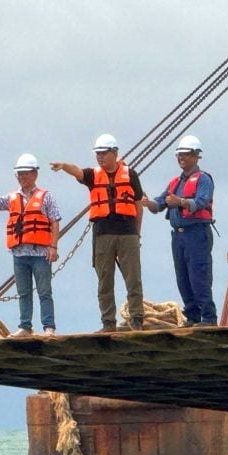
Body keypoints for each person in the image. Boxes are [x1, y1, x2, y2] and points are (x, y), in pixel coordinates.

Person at [50, 134, 145, 332]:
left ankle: (136, 318)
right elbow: (78, 171)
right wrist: (63, 165)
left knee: (133, 277)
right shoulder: (94, 175)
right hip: (103, 233)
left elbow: (137, 204)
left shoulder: (131, 175)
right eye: (98, 154)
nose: (100, 157)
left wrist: (137, 233)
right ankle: (108, 322)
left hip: (127, 232)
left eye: (103, 153)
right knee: (104, 278)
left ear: (114, 153)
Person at [0, 153, 60, 337]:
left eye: (25, 173)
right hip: (20, 254)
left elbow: (54, 221)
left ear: (34, 174)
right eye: (19, 174)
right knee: (24, 292)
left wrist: (53, 247)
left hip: (41, 253)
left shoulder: (46, 197)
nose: (22, 177)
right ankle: (25, 326)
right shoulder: (12, 198)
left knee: (44, 291)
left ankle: (49, 327)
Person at [141, 135, 217, 326]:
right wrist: (147, 203)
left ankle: (208, 317)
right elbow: (159, 204)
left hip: (197, 233)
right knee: (183, 277)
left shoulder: (203, 179)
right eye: (179, 155)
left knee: (199, 275)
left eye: (185, 155)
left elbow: (200, 202)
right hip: (179, 236)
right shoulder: (175, 182)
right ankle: (192, 316)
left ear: (195, 156)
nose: (181, 158)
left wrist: (180, 202)